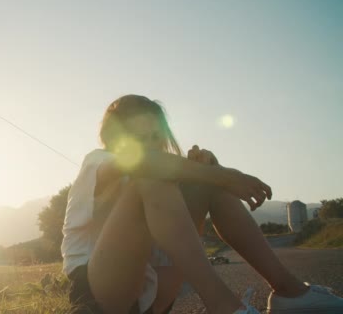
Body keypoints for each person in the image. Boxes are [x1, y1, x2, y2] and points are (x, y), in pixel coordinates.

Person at [61, 95, 343, 314]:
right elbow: (146, 163)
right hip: (101, 294)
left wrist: (209, 171)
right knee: (151, 176)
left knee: (203, 183)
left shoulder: (161, 180)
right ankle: (223, 305)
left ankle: (289, 292)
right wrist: (225, 175)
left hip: (152, 295)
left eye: (155, 137)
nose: (148, 144)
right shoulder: (98, 160)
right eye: (137, 137)